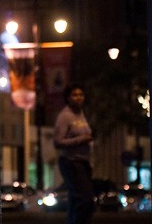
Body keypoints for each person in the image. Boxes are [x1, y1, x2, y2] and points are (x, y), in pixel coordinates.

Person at [53, 84, 95, 224]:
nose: (78, 98)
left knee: (76, 200)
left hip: (83, 161)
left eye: (81, 95)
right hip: (71, 162)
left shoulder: (81, 114)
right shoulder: (65, 116)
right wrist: (81, 140)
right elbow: (58, 142)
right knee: (85, 200)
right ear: (67, 98)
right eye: (74, 95)